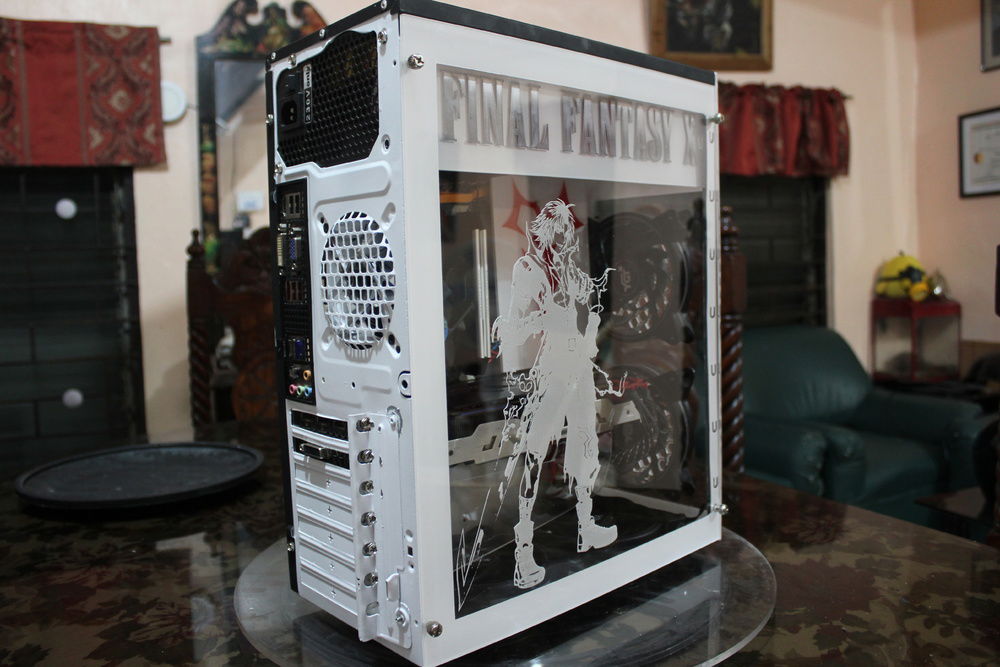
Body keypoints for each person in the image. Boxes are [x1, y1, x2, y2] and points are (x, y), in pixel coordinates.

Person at [492, 199, 620, 589]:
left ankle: (585, 525)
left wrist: (593, 313)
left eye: (569, 239)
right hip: (551, 369)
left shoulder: (569, 270)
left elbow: (590, 310)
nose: (566, 245)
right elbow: (512, 330)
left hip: (578, 366)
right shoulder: (528, 269)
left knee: (585, 444)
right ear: (547, 233)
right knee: (535, 450)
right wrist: (540, 318)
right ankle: (523, 551)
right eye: (561, 237)